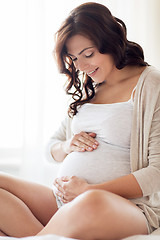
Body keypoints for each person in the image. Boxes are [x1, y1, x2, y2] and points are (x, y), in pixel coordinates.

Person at [0, 2, 160, 240]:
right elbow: (51, 149)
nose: (82, 66)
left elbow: (156, 172)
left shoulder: (150, 84)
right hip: (66, 201)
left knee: (91, 201)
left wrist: (88, 190)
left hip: (123, 207)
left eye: (88, 54)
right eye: (74, 59)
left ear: (112, 41)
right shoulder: (88, 91)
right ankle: (41, 236)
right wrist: (67, 146)